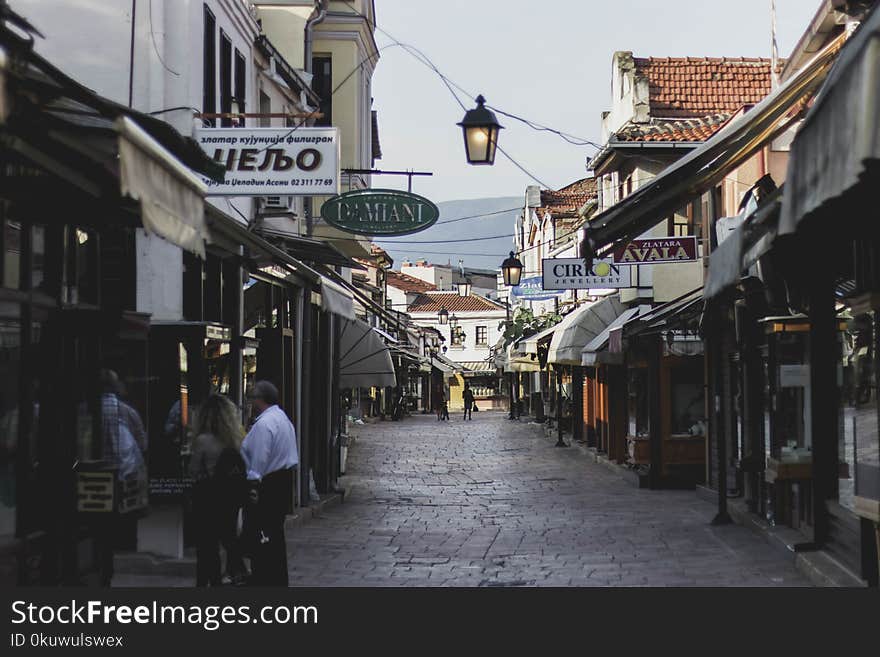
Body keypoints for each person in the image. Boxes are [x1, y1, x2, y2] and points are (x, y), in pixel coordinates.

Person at [241, 380, 298, 586]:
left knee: (263, 533)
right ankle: (275, 577)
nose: (251, 402)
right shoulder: (282, 419)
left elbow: (259, 456)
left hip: (268, 483)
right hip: (281, 480)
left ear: (261, 399)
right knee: (274, 533)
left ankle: (263, 577)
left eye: (253, 397)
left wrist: (253, 485)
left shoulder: (265, 424)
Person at [189, 394, 248, 587]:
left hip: (206, 499)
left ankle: (208, 583)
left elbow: (194, 470)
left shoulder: (203, 440)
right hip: (228, 499)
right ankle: (233, 574)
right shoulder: (234, 440)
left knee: (206, 547)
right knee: (228, 540)